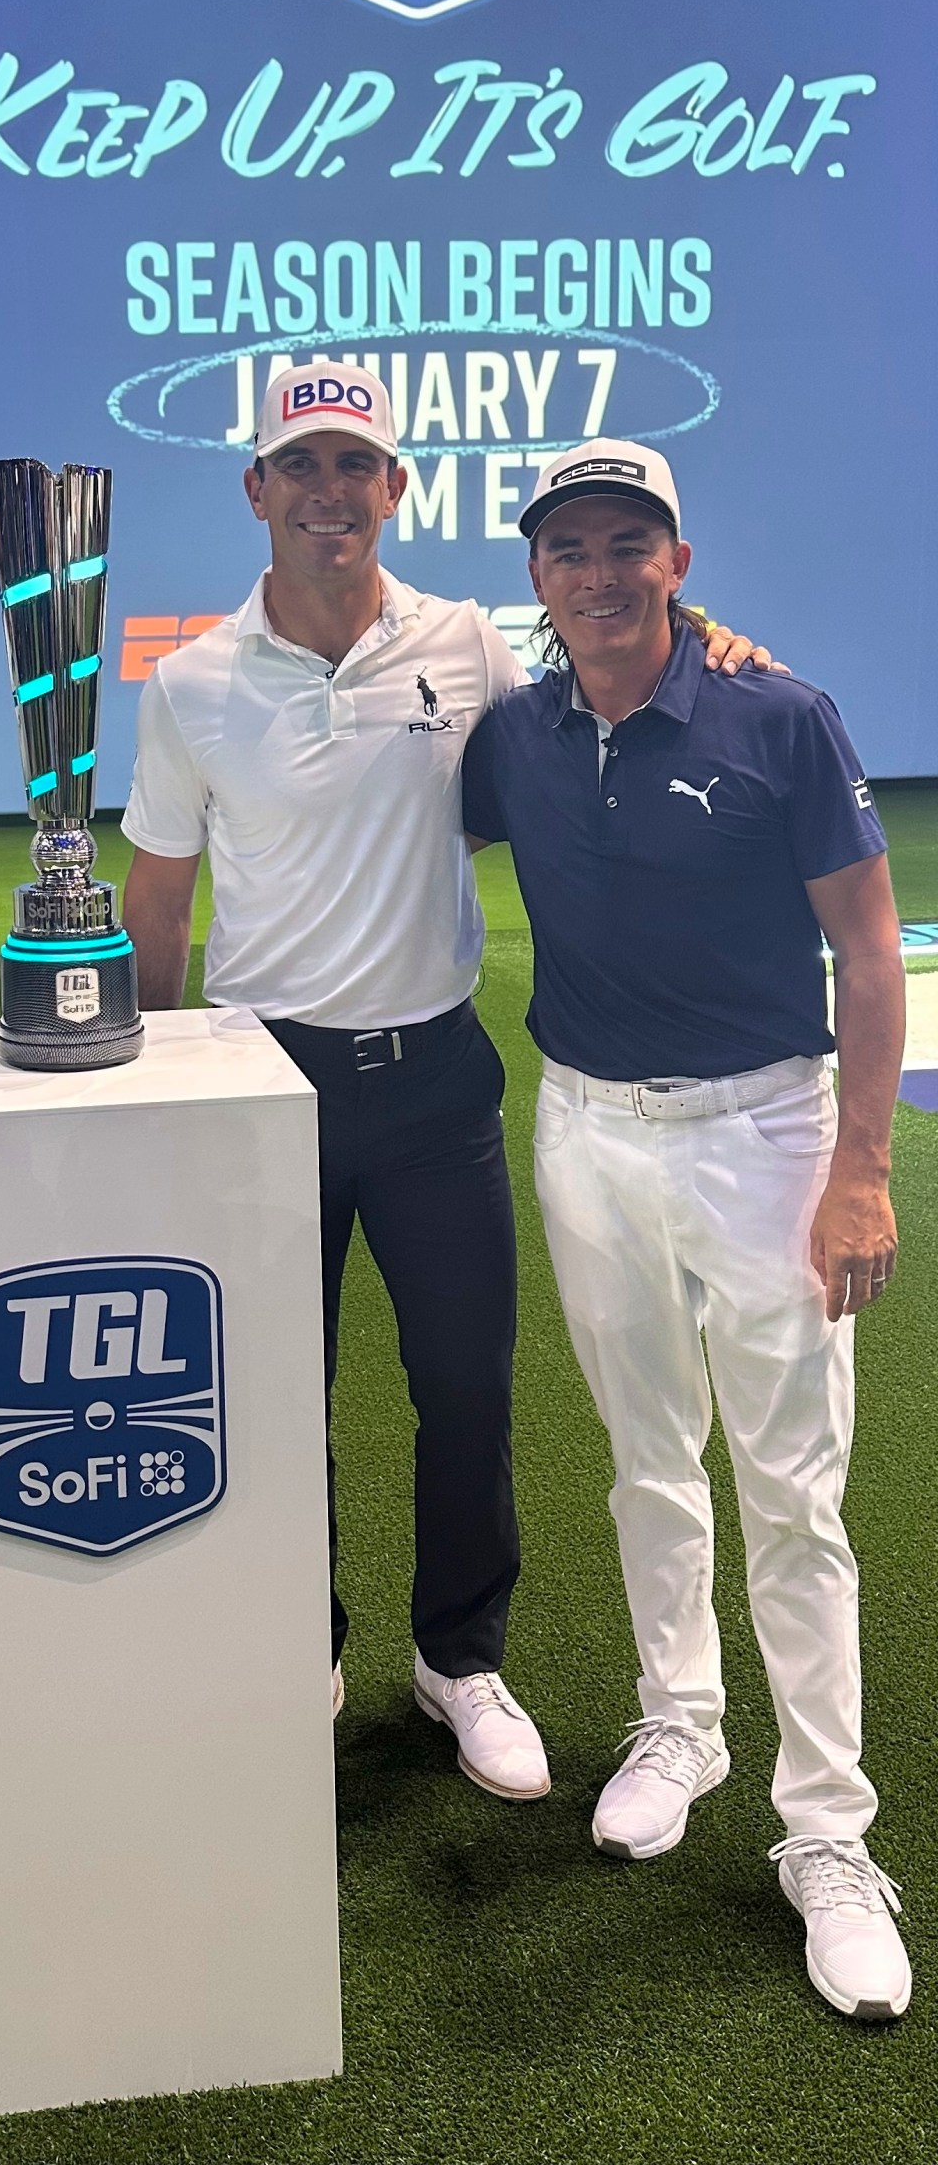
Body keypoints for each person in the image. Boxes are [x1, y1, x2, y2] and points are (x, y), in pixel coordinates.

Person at [120, 362, 765, 1795]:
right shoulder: (195, 683)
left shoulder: (467, 642)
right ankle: (302, 1649)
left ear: (395, 489)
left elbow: (602, 686)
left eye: (356, 466)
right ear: (256, 491)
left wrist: (713, 639)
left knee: (466, 1388)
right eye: (301, 466)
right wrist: (153, 1096)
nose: (328, 492)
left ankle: (459, 1661)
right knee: (280, 1394)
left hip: (434, 1084)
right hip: (258, 1087)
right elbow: (158, 902)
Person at [460, 439, 910, 2021]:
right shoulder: (513, 732)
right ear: (538, 580)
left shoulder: (775, 713)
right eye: (566, 549)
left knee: (793, 1491)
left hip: (769, 1135)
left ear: (679, 559)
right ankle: (684, 1722)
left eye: (625, 544)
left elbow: (867, 949)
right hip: (586, 1128)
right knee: (647, 1456)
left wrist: (861, 1168)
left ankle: (828, 1834)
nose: (597, 573)